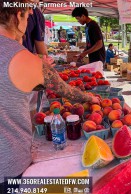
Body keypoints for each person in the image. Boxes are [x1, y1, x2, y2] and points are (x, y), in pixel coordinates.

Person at [0, 1, 99, 192]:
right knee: (77, 187)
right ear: (18, 15)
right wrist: (90, 98)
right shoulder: (27, 60)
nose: (28, 22)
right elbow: (65, 91)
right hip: (11, 164)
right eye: (28, 16)